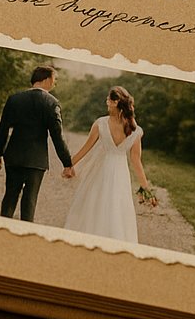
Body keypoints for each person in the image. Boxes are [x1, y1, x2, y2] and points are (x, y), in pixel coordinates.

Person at [63, 86, 154, 244]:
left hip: (101, 171)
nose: (106, 102)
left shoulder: (101, 123)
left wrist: (69, 165)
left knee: (94, 204)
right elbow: (136, 161)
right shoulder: (135, 130)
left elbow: (85, 148)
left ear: (115, 102)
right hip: (120, 173)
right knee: (116, 208)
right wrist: (146, 190)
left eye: (108, 99)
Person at [0, 64, 76, 223]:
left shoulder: (14, 99)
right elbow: (57, 136)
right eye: (54, 80)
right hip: (36, 161)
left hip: (14, 157)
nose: (54, 83)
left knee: (10, 197)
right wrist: (67, 163)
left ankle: (1, 229)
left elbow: (3, 128)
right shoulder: (52, 103)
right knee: (29, 201)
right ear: (46, 79)